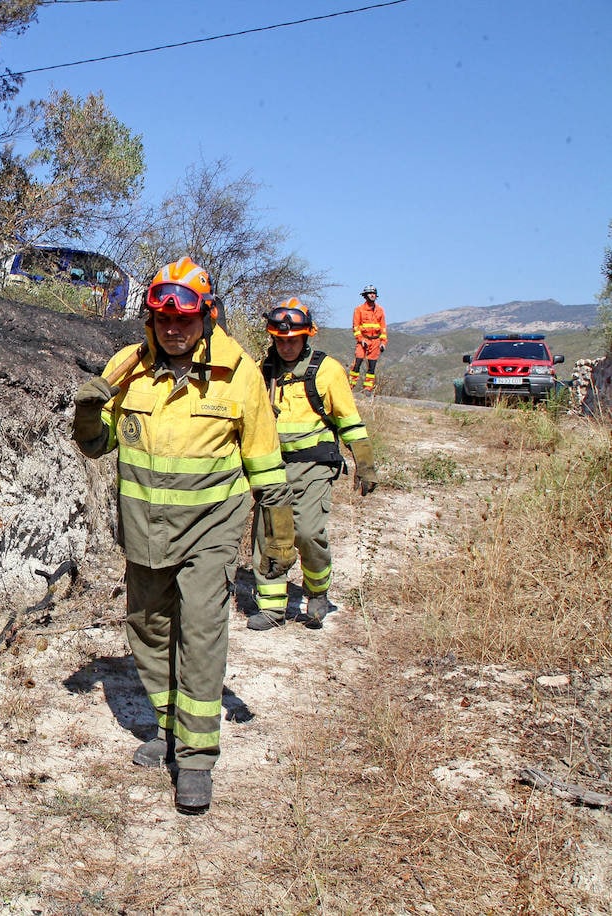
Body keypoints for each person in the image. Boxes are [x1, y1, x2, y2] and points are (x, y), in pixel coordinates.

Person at [70, 257, 297, 815]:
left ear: (206, 318)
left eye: (186, 320)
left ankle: (196, 756)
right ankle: (168, 726)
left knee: (199, 629)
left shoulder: (238, 372)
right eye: (163, 319)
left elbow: (265, 463)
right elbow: (98, 447)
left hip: (211, 531)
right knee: (147, 627)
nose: (174, 328)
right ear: (150, 318)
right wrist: (86, 415)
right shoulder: (128, 366)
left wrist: (279, 535)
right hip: (145, 532)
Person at [247, 300, 378, 632]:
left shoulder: (327, 370)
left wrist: (364, 462)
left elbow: (349, 419)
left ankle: (317, 591)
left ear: (307, 337)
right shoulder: (264, 372)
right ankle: (273, 609)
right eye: (280, 340)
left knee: (306, 532)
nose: (286, 346)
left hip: (315, 466)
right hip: (273, 468)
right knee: (270, 535)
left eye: (293, 340)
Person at [349, 284, 388, 392]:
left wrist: (383, 342)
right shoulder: (359, 310)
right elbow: (356, 327)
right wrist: (361, 340)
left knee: (372, 366)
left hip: (375, 341)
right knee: (357, 363)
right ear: (365, 296)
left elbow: (383, 327)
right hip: (363, 340)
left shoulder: (380, 310)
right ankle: (350, 386)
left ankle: (368, 388)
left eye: (374, 293)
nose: (372, 295)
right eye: (370, 293)